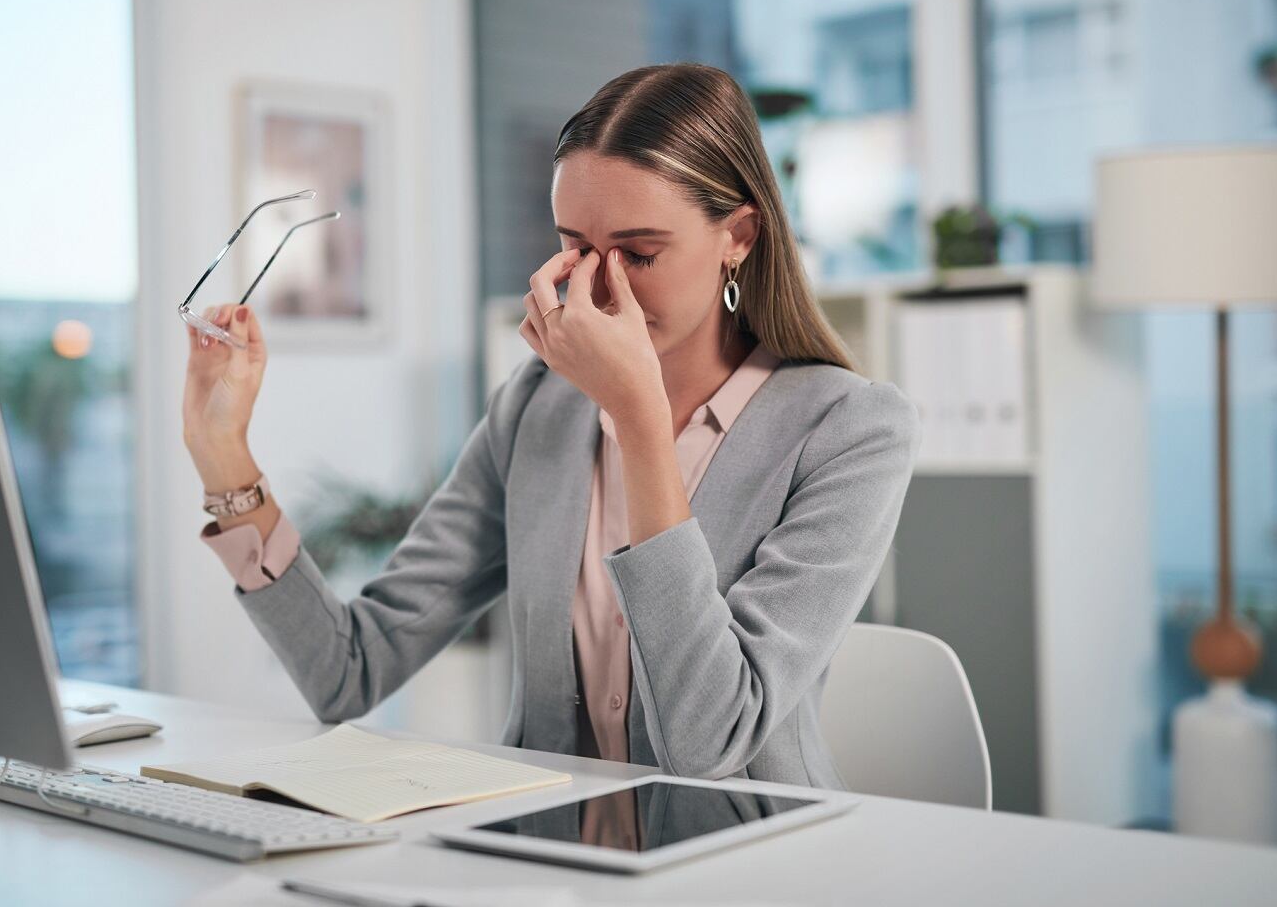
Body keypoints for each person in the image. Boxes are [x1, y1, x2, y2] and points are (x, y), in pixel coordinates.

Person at [181, 62, 920, 795]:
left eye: (640, 253)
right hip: (553, 860)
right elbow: (346, 671)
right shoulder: (539, 406)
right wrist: (225, 460)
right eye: (578, 246)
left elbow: (710, 742)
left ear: (740, 236)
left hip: (747, 867)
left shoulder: (849, 430)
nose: (598, 286)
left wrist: (639, 424)